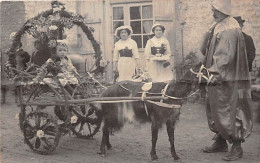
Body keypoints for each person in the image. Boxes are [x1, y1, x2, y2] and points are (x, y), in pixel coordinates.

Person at [200, 0, 253, 161]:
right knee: (216, 108)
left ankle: (237, 147)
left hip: (226, 78)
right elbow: (207, 49)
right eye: (212, 10)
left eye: (215, 10)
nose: (213, 13)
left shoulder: (229, 28)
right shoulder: (219, 25)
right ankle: (221, 141)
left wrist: (213, 73)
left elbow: (224, 56)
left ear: (223, 9)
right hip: (219, 77)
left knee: (230, 109)